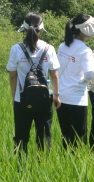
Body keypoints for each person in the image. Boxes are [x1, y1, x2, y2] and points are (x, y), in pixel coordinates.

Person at [7, 12, 60, 154]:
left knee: (21, 137)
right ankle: (43, 164)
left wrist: (14, 96)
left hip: (22, 99)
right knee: (44, 136)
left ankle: (20, 164)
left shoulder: (16, 49)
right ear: (41, 29)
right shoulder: (49, 48)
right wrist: (56, 96)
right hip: (44, 99)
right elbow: (54, 75)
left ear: (24, 29)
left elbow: (12, 76)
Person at [57, 14, 94, 148]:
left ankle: (65, 159)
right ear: (83, 30)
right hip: (76, 97)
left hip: (61, 95)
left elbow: (57, 69)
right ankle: (77, 160)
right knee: (79, 136)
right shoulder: (85, 50)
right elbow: (89, 74)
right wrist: (84, 81)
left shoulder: (62, 46)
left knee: (66, 135)